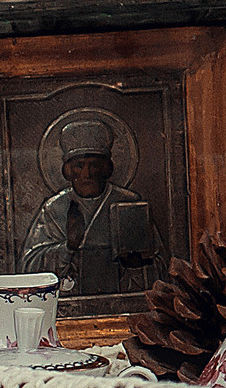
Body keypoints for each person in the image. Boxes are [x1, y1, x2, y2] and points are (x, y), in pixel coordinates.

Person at [21, 117, 162, 296]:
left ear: (106, 168)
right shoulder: (54, 208)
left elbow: (162, 264)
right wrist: (68, 247)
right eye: (79, 166)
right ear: (68, 170)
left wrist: (138, 263)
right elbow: (29, 267)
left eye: (94, 165)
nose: (86, 174)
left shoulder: (129, 202)